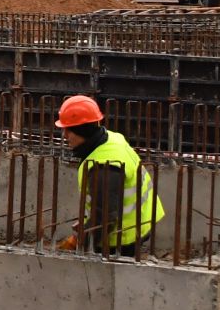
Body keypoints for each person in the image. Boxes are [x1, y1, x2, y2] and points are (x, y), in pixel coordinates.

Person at [56, 95, 164, 257]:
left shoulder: (103, 167)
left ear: (81, 130)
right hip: (140, 219)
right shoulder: (112, 139)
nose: (64, 135)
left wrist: (80, 242)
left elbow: (105, 219)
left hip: (125, 235)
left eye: (68, 130)